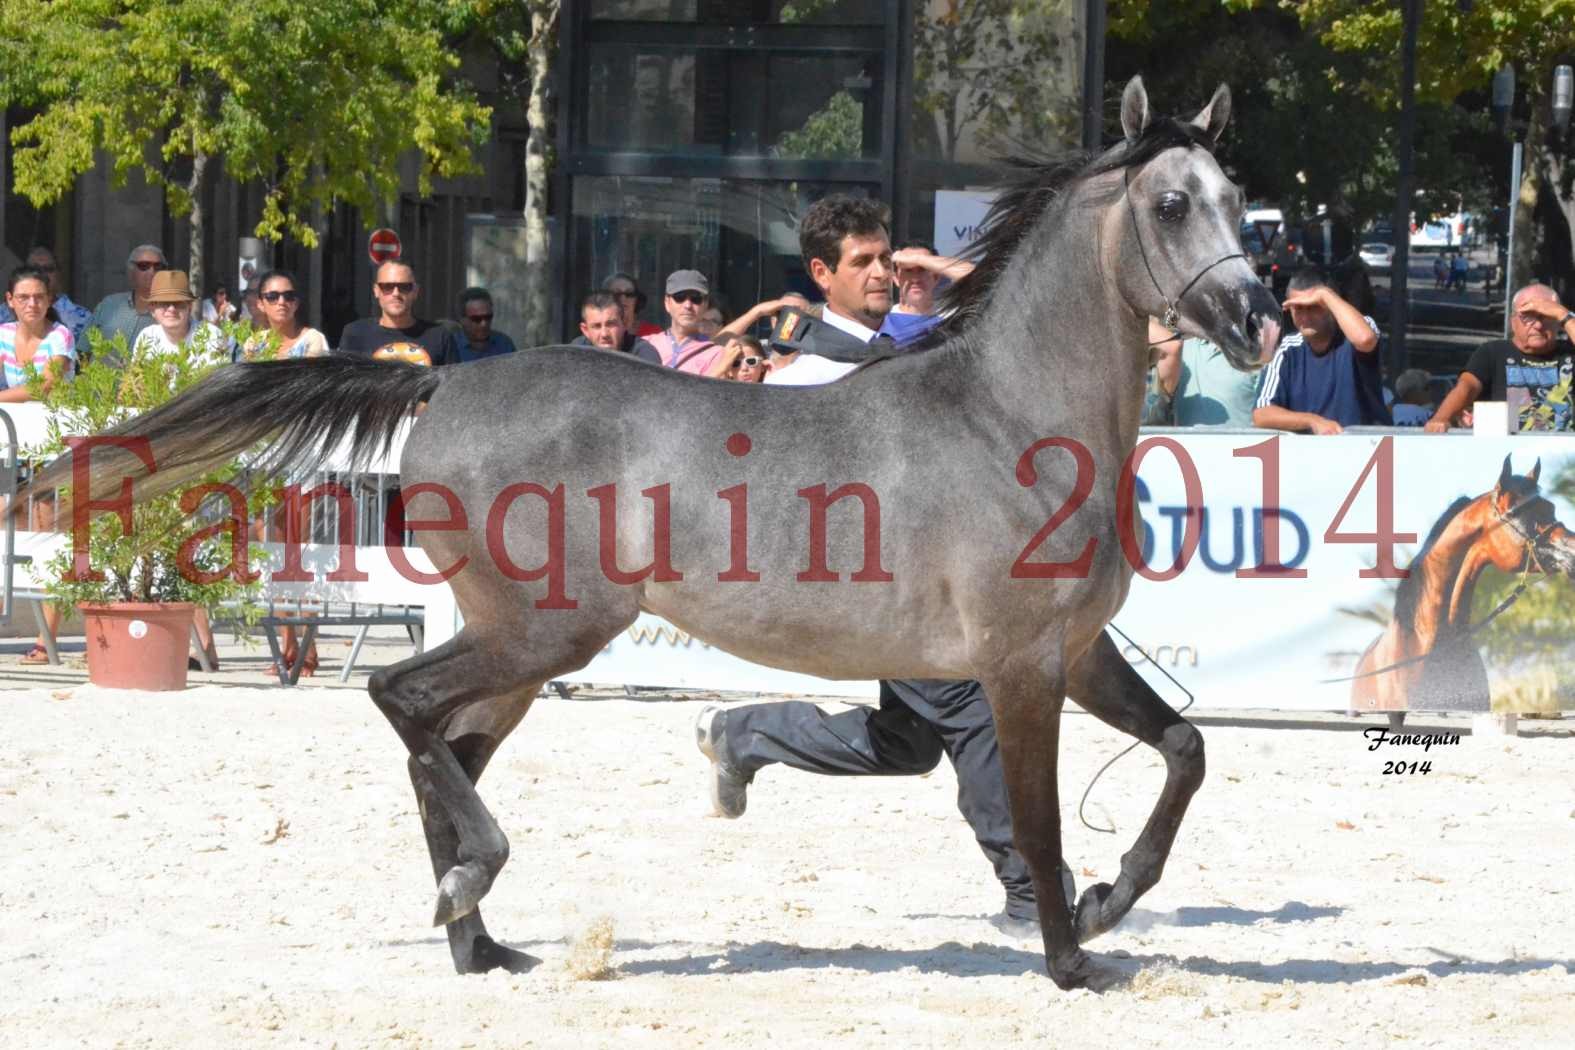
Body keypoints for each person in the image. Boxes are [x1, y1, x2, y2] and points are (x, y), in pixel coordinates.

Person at [695, 193, 1068, 932]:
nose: (879, 274)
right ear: (820, 274)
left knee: (908, 745)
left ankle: (744, 735)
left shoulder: (905, 347)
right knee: (972, 715)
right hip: (862, 589)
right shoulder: (803, 375)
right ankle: (1032, 893)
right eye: (861, 262)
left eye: (884, 259)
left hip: (918, 584)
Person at [2, 264, 77, 664]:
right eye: (24, 297)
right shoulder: (1, 336)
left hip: (52, 448)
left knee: (50, 535)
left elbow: (46, 384)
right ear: (10, 301)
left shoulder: (61, 335)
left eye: (39, 297)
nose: (32, 303)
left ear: (49, 300)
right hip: (12, 447)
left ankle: (44, 637)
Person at [1253, 265, 1388, 434]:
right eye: (1298, 308)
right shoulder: (1286, 350)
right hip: (1310, 455)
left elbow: (1364, 339)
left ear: (1331, 304)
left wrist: (1325, 294)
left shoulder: (1357, 330)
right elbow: (1262, 413)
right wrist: (1312, 421)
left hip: (1369, 450)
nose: (1305, 316)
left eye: (1314, 306)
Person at [1425, 283, 1575, 433]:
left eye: (1546, 316)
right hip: (1506, 450)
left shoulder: (1569, 353)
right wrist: (1441, 418)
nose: (1537, 325)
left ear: (1558, 322)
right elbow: (1467, 387)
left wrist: (1565, 315)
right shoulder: (1493, 352)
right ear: (1513, 322)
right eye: (1528, 317)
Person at [337, 260, 461, 366]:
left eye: (404, 287)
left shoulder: (440, 337)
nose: (396, 293)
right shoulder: (355, 334)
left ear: (415, 291)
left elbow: (453, 387)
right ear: (376, 291)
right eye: (387, 287)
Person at [1144, 318, 1261, 426]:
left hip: (1241, 446)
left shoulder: (1259, 356)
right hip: (1184, 447)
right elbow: (1169, 344)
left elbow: (1267, 412)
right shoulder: (1184, 349)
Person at [880, 242, 973, 346]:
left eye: (922, 269)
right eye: (908, 270)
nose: (915, 279)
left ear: (936, 278)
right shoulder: (881, 320)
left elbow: (973, 275)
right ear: (896, 279)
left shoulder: (949, 318)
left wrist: (917, 259)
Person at [131, 270, 231, 362]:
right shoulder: (147, 337)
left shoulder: (211, 336)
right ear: (152, 309)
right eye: (164, 303)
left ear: (189, 307)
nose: (171, 309)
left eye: (178, 303)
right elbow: (137, 379)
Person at [88, 244, 165, 363]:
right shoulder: (109, 304)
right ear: (131, 271)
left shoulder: (172, 314)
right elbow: (83, 350)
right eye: (144, 266)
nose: (152, 271)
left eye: (158, 267)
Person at [0, 247, 93, 345]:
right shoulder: (3, 314)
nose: (41, 273)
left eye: (48, 269)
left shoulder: (82, 317)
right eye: (34, 269)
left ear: (58, 274)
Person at [239, 270, 329, 360]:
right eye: (272, 296)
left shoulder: (312, 339)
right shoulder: (254, 344)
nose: (281, 302)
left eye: (288, 295)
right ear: (261, 304)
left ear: (296, 303)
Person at [646, 270, 721, 374]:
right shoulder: (646, 344)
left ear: (705, 305)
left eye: (696, 298)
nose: (688, 305)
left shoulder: (715, 354)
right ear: (667, 303)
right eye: (679, 297)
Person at [574, 291, 661, 363]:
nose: (604, 334)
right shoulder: (576, 352)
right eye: (597, 326)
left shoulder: (644, 355)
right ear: (585, 330)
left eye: (611, 324)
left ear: (624, 324)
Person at [454, 287, 518, 363]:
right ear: (462, 319)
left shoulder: (504, 343)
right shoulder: (451, 347)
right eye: (476, 319)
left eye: (488, 317)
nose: (484, 324)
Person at [602, 273, 662, 338]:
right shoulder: (598, 330)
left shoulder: (653, 333)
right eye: (617, 294)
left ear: (637, 300)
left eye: (629, 294)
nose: (623, 298)